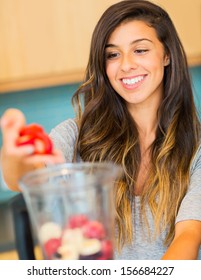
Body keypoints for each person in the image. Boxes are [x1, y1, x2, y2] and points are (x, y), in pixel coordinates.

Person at [0, 0, 201, 260]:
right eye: (113, 54)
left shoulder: (195, 145)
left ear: (166, 55)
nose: (126, 65)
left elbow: (190, 235)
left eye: (140, 50)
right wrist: (17, 152)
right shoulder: (77, 135)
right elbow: (22, 177)